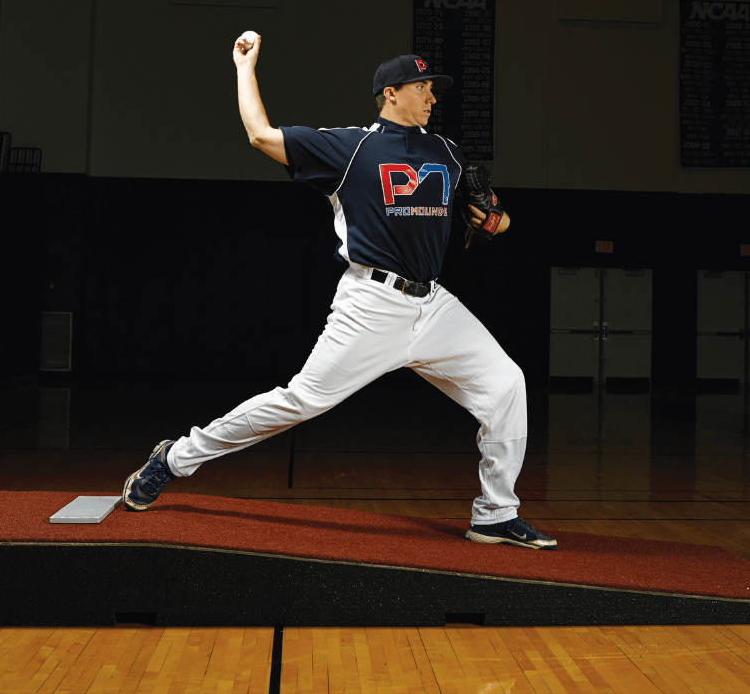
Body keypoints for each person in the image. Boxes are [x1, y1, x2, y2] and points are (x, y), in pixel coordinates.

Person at [122, 35, 557, 550]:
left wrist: (494, 218)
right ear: (391, 93)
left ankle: (494, 514)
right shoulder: (351, 148)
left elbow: (497, 222)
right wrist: (245, 67)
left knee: (507, 385)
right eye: (423, 88)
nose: (433, 97)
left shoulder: (448, 151)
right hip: (372, 304)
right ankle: (174, 458)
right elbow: (261, 135)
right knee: (300, 402)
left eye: (433, 89)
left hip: (433, 305)